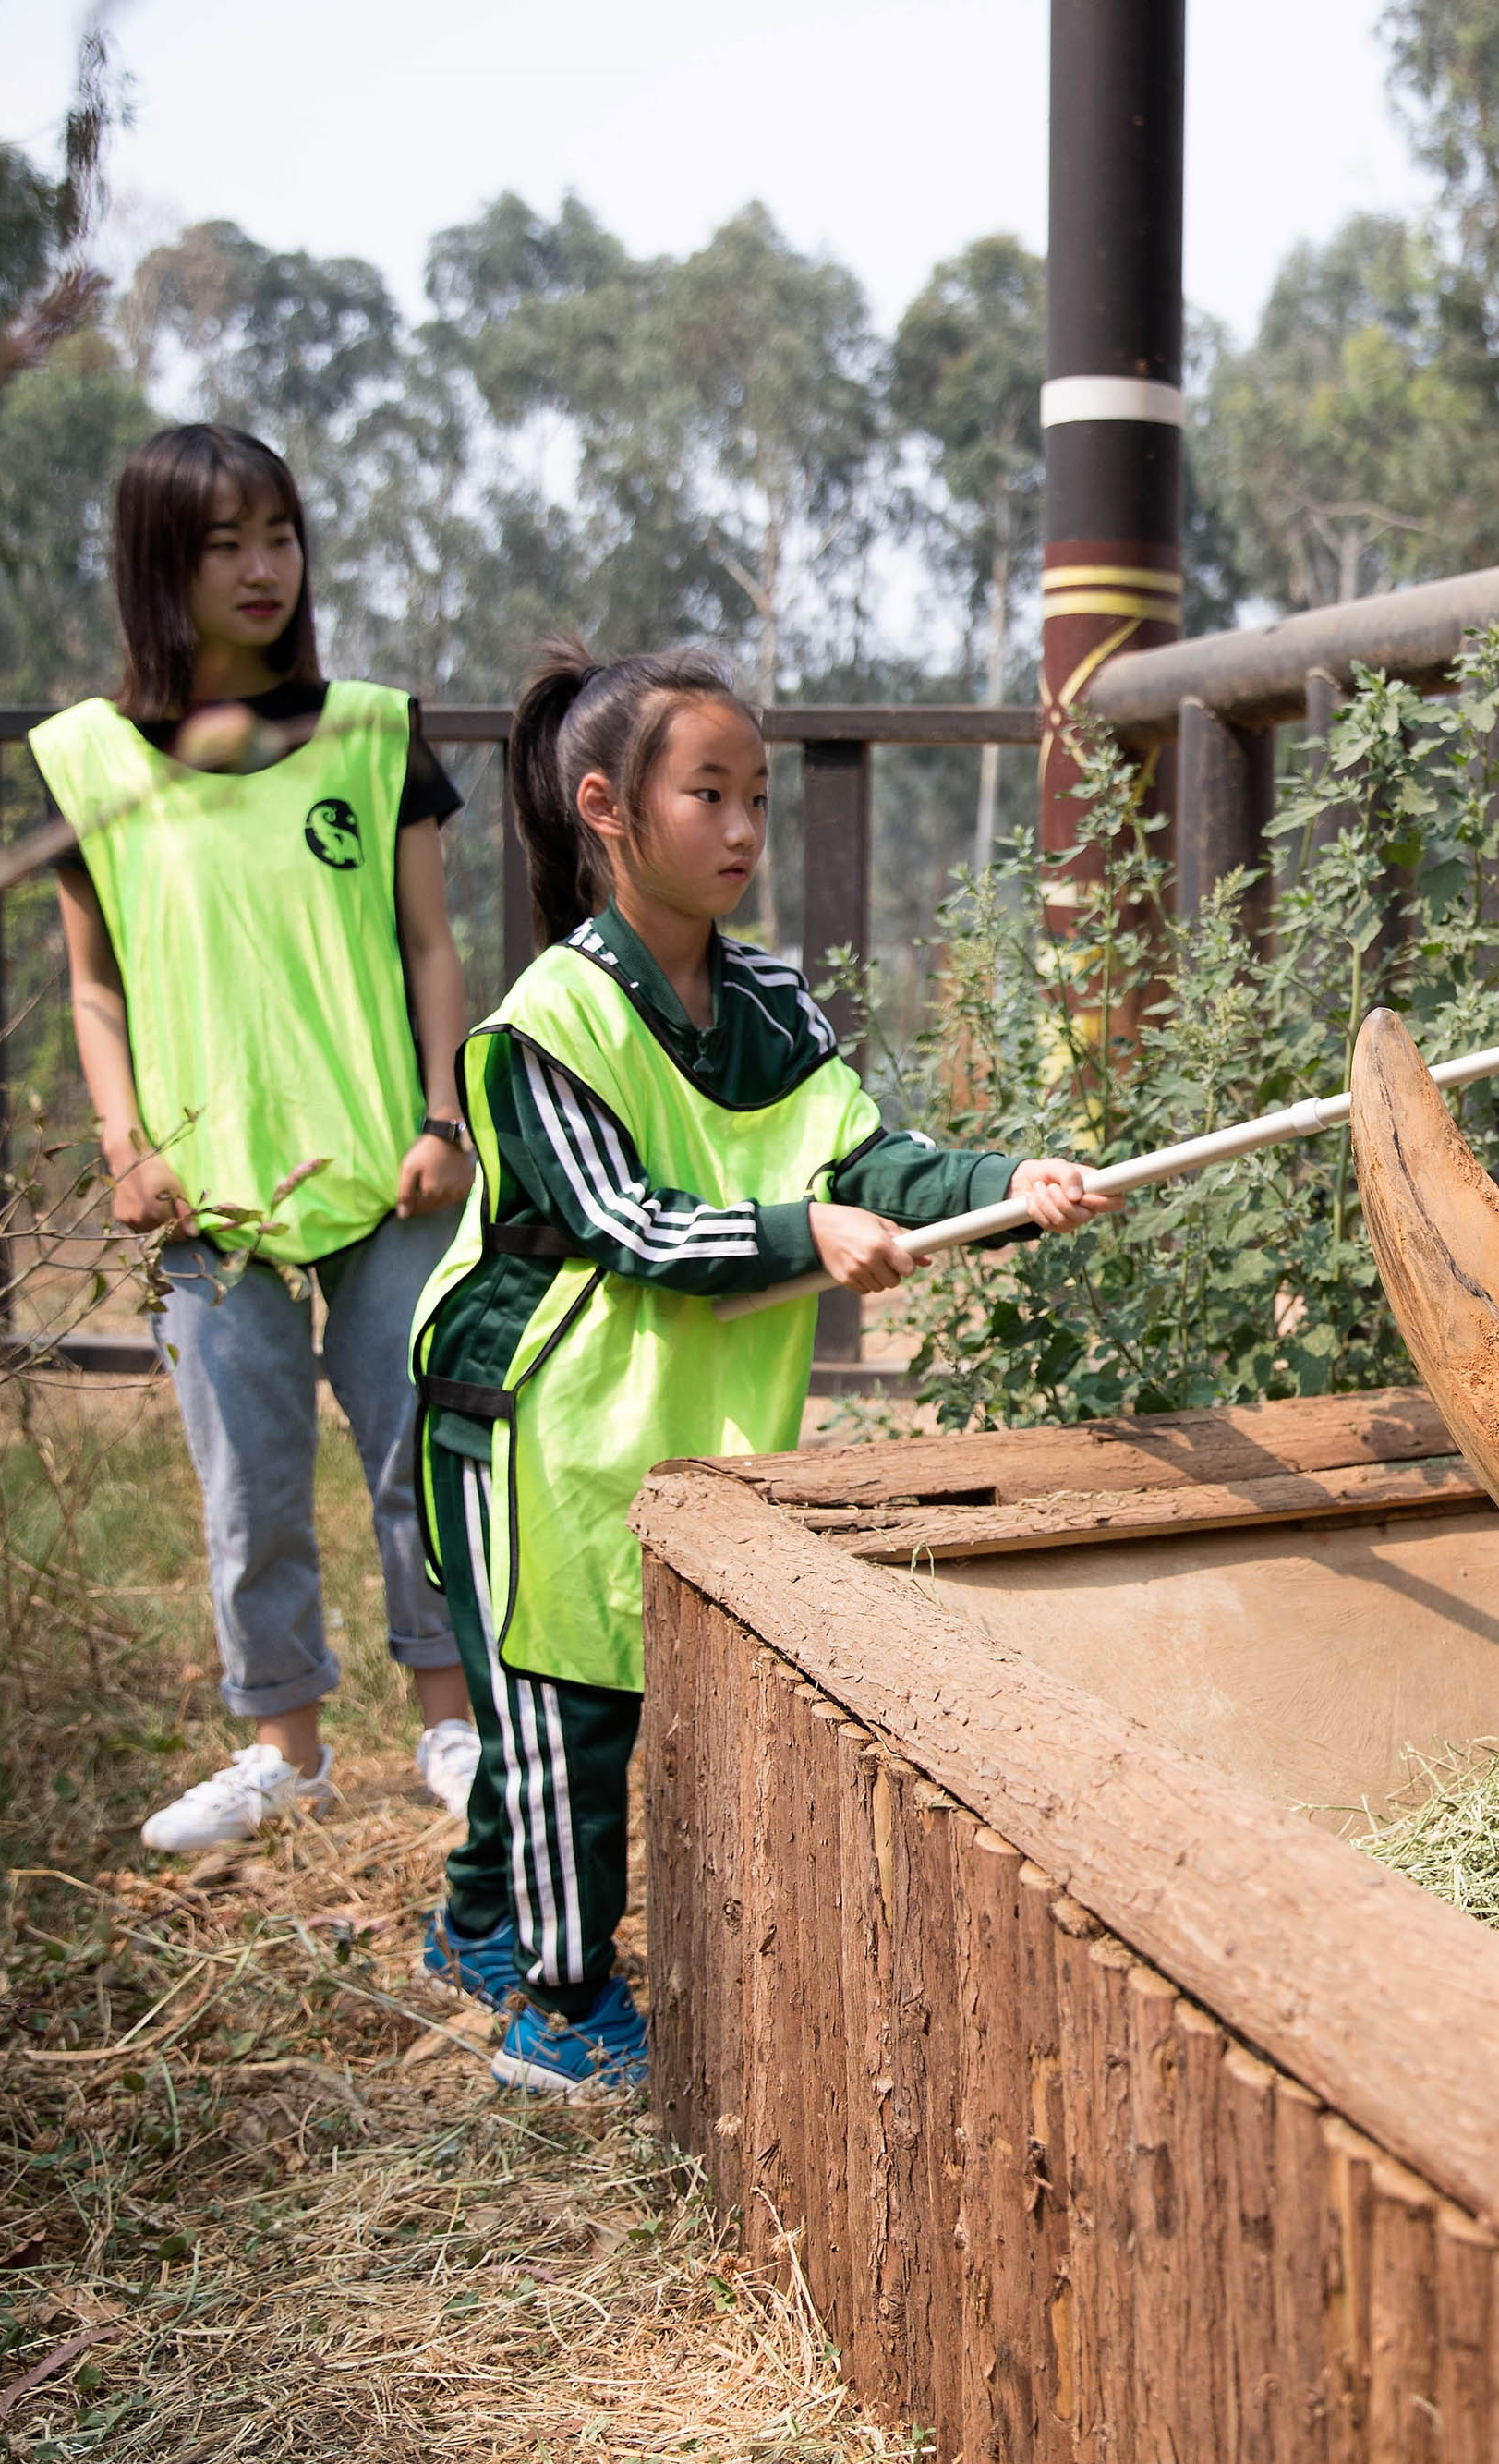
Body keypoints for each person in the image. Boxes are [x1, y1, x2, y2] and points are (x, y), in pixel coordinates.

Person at [409, 639, 1116, 2094]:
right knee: (561, 1702)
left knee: (561, 1691)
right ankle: (558, 2005)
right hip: (525, 1411)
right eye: (707, 796)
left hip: (650, 1406)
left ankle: (476, 1924)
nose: (741, 831)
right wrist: (802, 1229)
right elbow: (622, 1222)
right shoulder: (546, 1022)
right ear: (608, 808)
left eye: (756, 800)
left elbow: (871, 1154)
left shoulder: (776, 1001)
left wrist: (1001, 1187)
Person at [34, 425, 483, 1854]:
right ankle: (285, 1751)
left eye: (279, 534)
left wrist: (441, 1113)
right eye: (223, 542)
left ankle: (452, 1727)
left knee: (423, 1451)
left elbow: (429, 943)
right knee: (250, 1491)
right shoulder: (87, 760)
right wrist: (124, 1151)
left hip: (386, 1179)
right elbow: (92, 986)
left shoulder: (370, 730)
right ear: (158, 564)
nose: (261, 568)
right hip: (202, 1207)